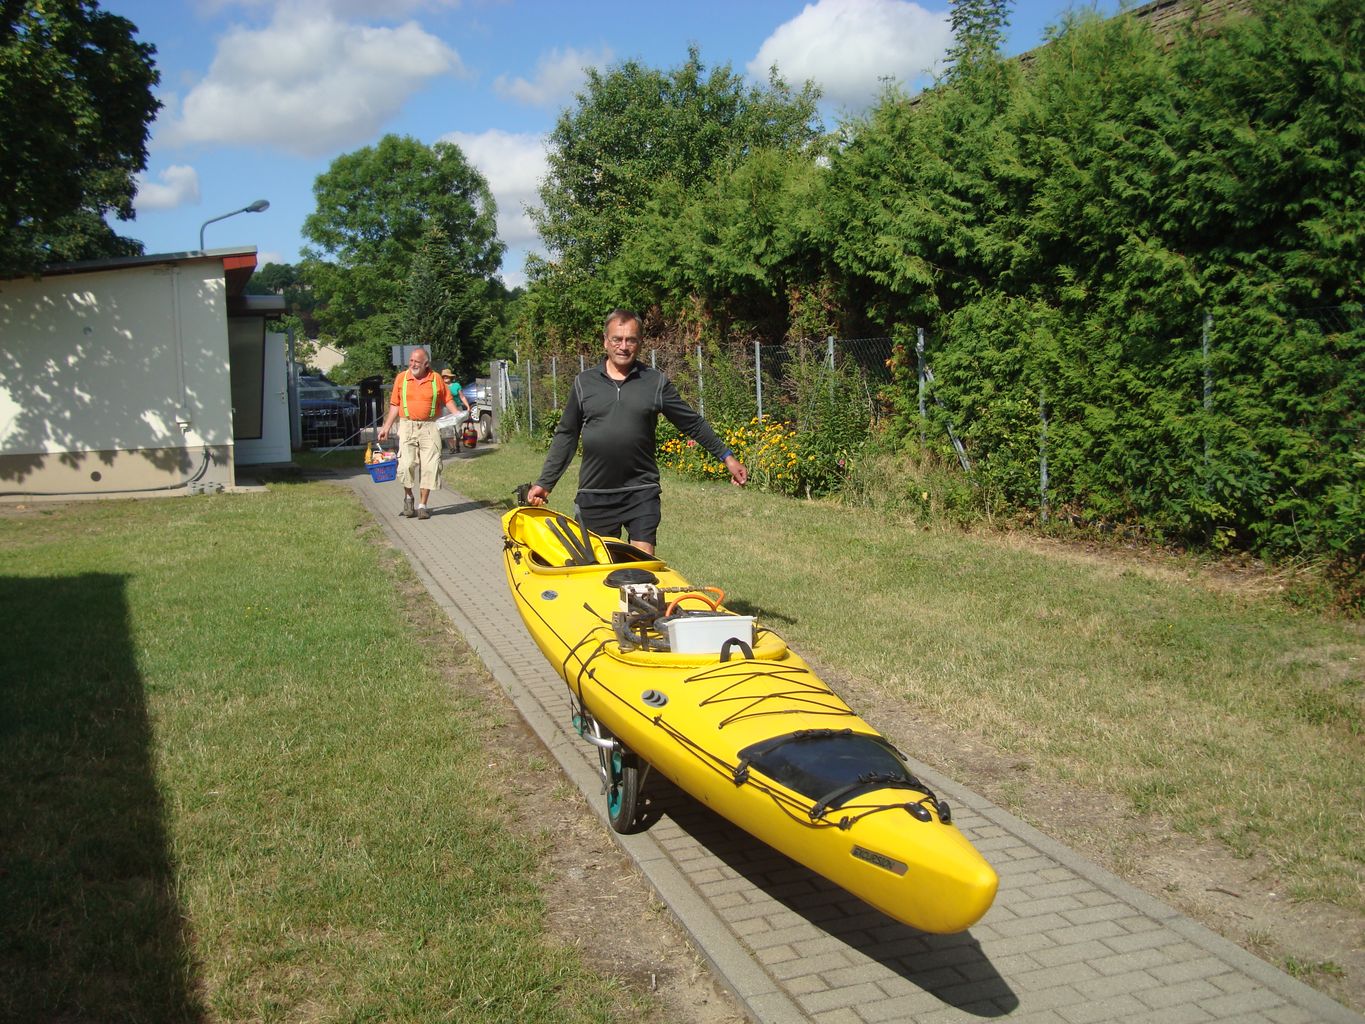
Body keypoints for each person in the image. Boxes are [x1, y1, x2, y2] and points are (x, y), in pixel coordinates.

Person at [527, 308, 747, 555]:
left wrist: (727, 457)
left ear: (640, 342)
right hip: (595, 493)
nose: (623, 346)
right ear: (605, 341)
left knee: (642, 568)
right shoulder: (584, 383)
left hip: (641, 492)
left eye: (630, 340)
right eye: (617, 339)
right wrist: (545, 483)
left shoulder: (654, 383)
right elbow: (566, 435)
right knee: (600, 570)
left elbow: (692, 423)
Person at [377, 348, 464, 520]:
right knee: (406, 465)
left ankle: (423, 505)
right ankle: (408, 497)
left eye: (417, 362)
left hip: (430, 426)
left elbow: (447, 398)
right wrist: (386, 427)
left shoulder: (436, 378)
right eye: (411, 361)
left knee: (430, 466)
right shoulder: (402, 378)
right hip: (407, 425)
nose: (413, 364)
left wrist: (457, 416)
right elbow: (395, 404)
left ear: (426, 364)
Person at [439, 367, 474, 452]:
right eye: (444, 376)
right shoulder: (440, 386)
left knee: (458, 429)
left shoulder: (456, 385)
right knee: (448, 429)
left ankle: (457, 445)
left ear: (451, 377)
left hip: (457, 408)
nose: (445, 378)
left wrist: (468, 406)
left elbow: (462, 397)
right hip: (445, 409)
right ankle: (452, 448)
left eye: (447, 376)